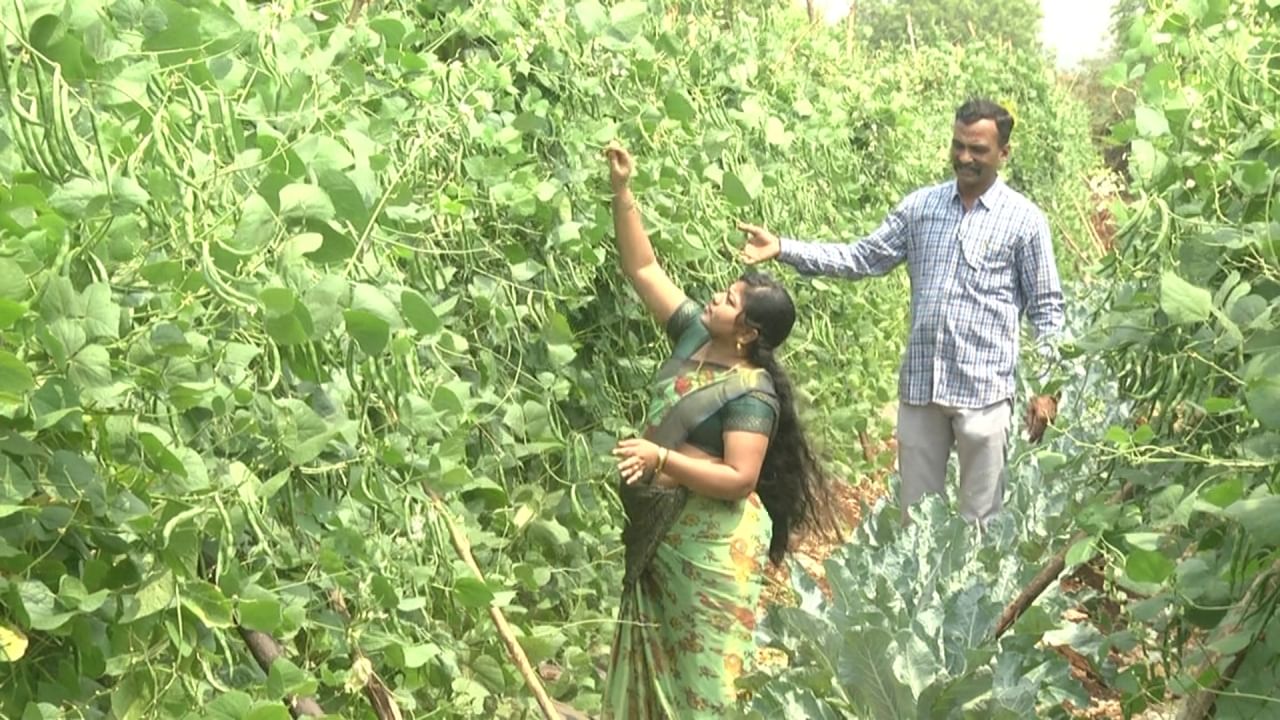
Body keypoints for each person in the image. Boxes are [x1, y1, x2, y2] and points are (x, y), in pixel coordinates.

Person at [737, 97, 1065, 526]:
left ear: (1003, 153)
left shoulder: (1024, 221)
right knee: (915, 525)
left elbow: (1047, 307)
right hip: (921, 389)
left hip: (985, 393)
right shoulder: (921, 209)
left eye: (978, 150)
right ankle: (924, 597)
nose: (965, 157)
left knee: (982, 525)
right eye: (958, 145)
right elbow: (862, 257)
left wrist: (1048, 388)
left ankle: (980, 596)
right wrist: (784, 247)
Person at [601, 141, 833, 719]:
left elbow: (737, 478)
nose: (714, 297)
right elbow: (643, 268)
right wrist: (623, 190)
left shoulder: (753, 394)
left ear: (748, 333)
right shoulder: (693, 337)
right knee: (657, 677)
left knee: (707, 686)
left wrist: (661, 460)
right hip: (663, 536)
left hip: (708, 550)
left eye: (729, 300)